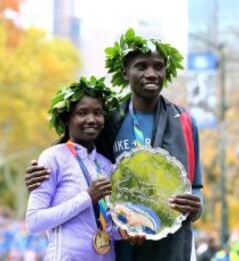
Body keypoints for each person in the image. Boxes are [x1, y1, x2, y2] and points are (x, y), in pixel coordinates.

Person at [25, 29, 204, 261]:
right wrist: (39, 177)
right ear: (125, 72)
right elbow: (79, 159)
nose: (151, 73)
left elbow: (197, 189)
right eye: (141, 66)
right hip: (121, 249)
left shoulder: (185, 123)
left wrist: (197, 208)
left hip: (170, 247)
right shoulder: (109, 119)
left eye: (158, 66)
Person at [25, 76, 142, 260]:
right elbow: (34, 222)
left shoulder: (107, 165)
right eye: (82, 113)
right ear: (66, 119)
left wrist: (122, 232)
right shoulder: (53, 157)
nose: (91, 119)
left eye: (97, 113)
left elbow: (104, 225)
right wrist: (87, 197)